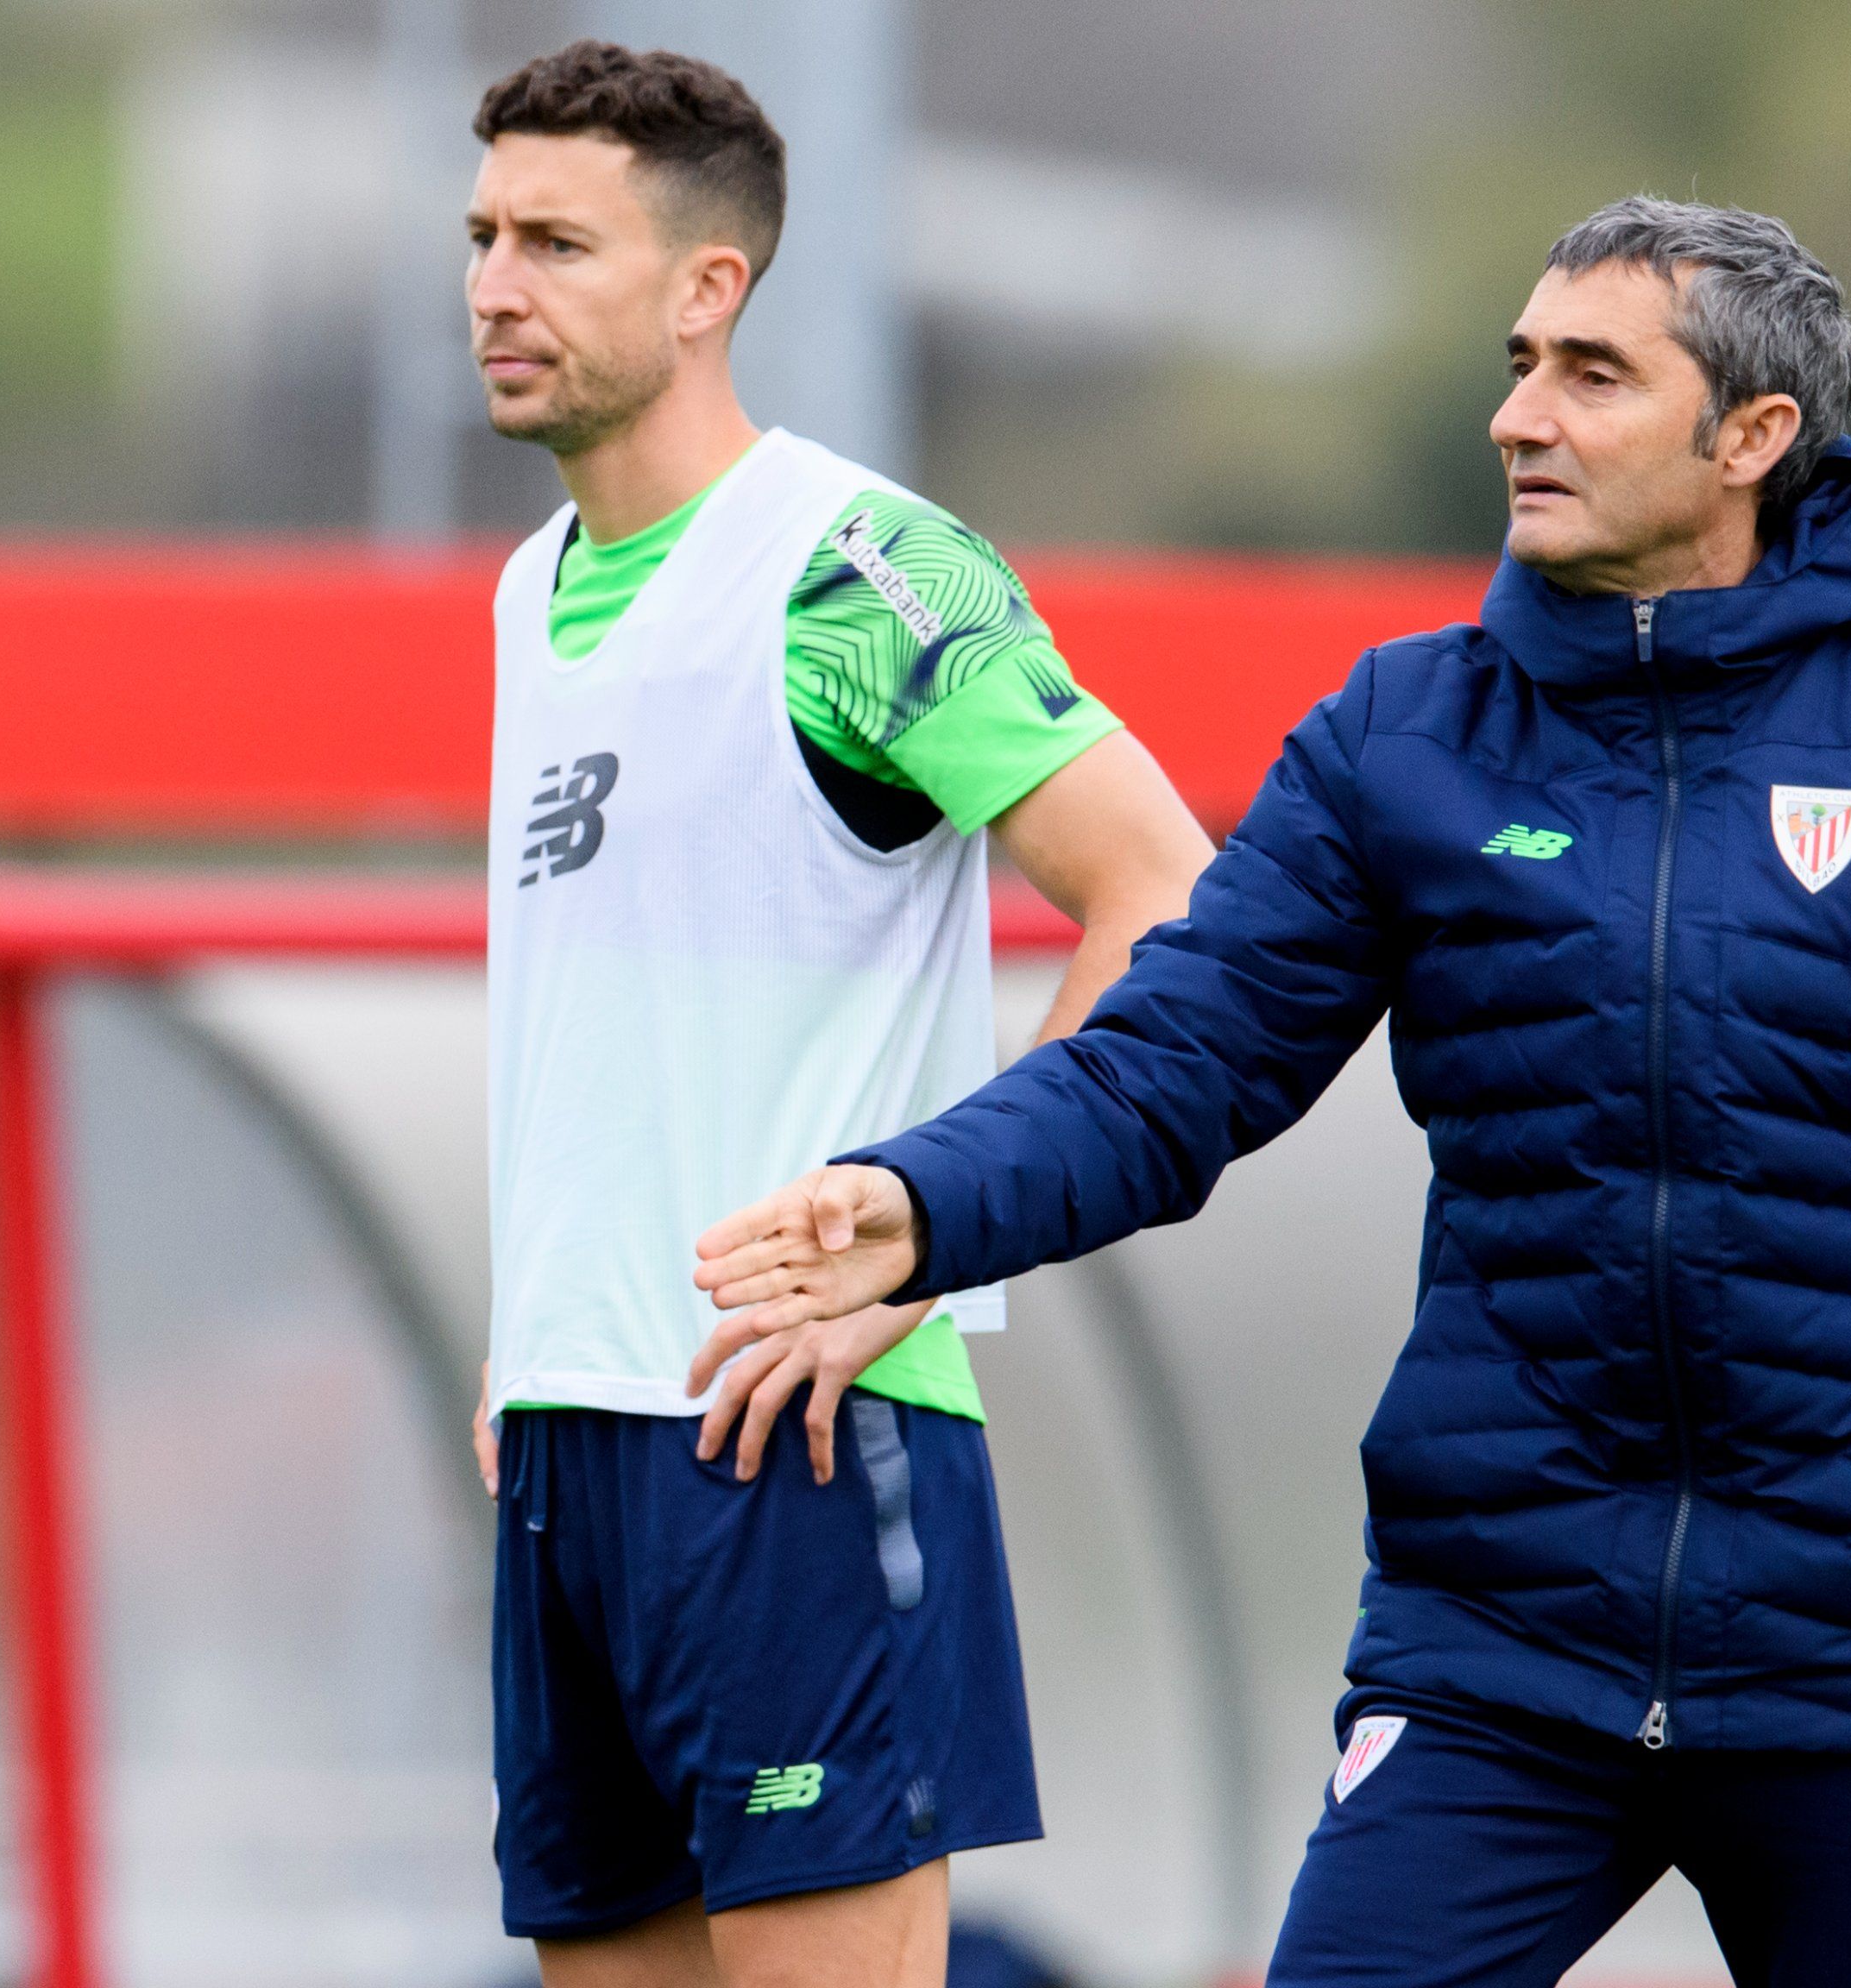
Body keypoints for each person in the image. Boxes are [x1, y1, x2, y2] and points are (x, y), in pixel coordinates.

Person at [693, 198, 1851, 1986]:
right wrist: (913, 1201)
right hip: (1498, 1646)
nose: (1519, 416)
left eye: (1591, 374)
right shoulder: (1403, 735)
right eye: (1518, 366)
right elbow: (1174, 1058)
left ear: (1748, 438)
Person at [461, 41, 1215, 1988]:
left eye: (554, 241)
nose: (490, 287)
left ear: (708, 287)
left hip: (787, 1434)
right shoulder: (524, 590)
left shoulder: (852, 571)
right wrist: (532, 1328)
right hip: (570, 1435)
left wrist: (929, 1243)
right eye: (478, 237)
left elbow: (1163, 893)